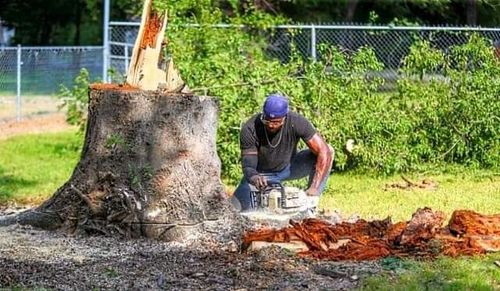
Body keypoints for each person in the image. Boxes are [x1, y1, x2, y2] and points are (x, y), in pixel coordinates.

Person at [233, 93, 334, 212]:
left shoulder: (296, 122)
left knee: (328, 151)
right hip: (261, 175)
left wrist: (314, 188)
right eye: (267, 120)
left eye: (276, 122)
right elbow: (248, 165)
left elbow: (324, 151)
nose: (271, 125)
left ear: (285, 117)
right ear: (263, 115)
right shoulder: (250, 128)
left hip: (289, 168)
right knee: (234, 208)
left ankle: (310, 205)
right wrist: (254, 177)